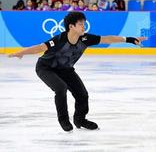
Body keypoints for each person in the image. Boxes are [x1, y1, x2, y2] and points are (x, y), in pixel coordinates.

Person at [7, 12, 147, 132]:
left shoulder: (85, 38)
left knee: (82, 94)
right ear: (71, 26)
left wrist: (129, 39)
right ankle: (64, 120)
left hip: (66, 70)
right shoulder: (59, 40)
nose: (83, 26)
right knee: (60, 88)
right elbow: (39, 47)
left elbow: (107, 38)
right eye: (80, 24)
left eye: (84, 24)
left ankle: (80, 120)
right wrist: (21, 53)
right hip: (46, 68)